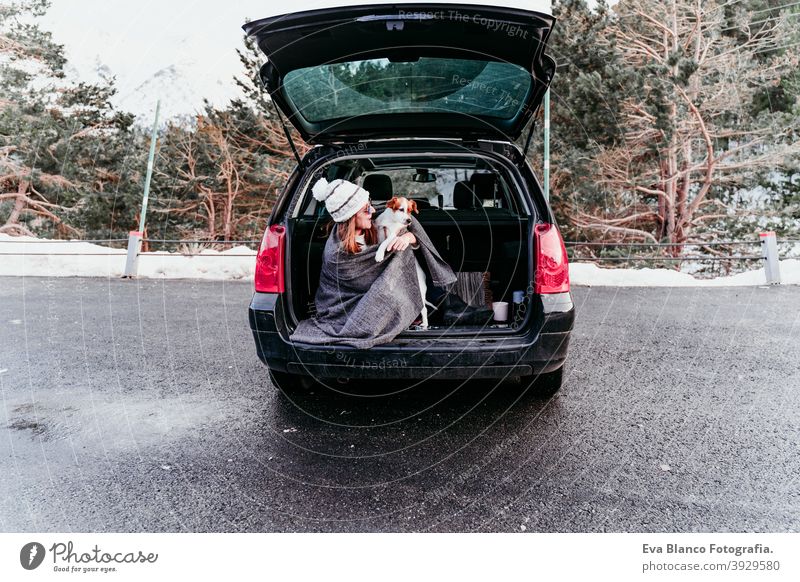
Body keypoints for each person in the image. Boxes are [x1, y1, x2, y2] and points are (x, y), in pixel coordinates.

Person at [288, 177, 486, 349]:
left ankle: (450, 306)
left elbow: (403, 225)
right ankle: (447, 308)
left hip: (398, 290)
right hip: (353, 305)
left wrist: (410, 238)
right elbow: (367, 282)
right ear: (350, 215)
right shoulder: (336, 253)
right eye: (366, 208)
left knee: (404, 256)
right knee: (398, 265)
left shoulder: (374, 224)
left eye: (371, 203)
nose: (373, 210)